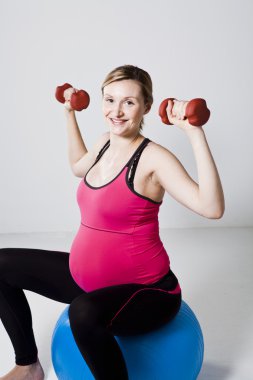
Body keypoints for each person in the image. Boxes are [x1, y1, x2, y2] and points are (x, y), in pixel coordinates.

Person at [0, 64, 225, 380]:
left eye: (129, 102)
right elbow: (79, 167)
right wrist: (69, 114)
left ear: (146, 106)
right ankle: (28, 366)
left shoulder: (153, 158)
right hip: (88, 281)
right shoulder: (104, 143)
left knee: (82, 314)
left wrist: (194, 133)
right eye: (110, 100)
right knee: (2, 264)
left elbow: (212, 207)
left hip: (147, 292)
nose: (116, 111)